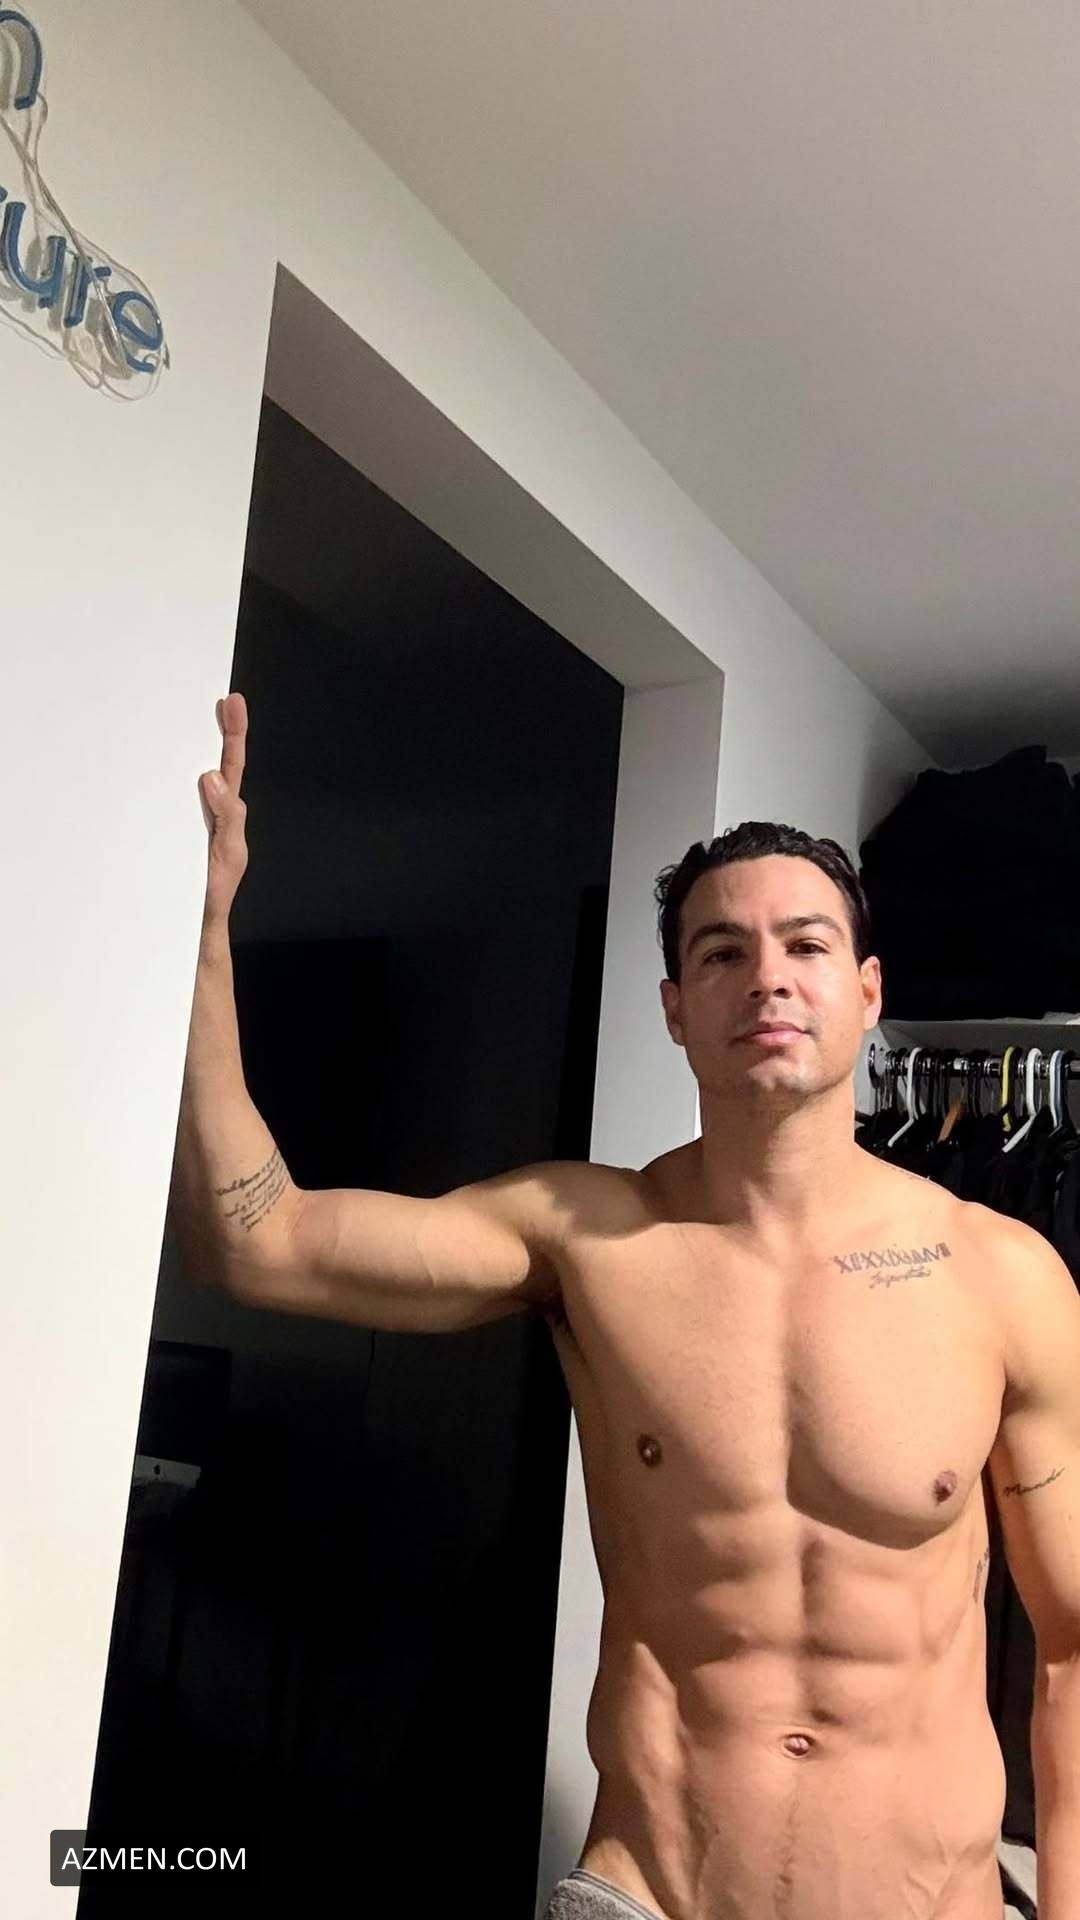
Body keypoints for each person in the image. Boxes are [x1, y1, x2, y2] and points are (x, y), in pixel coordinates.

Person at [172, 691, 1080, 1920]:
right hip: (651, 1893)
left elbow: (1072, 1642)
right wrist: (203, 927)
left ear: (869, 993)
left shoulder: (1002, 1273)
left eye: (807, 946)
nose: (767, 979)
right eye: (722, 953)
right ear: (674, 1008)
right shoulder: (584, 1235)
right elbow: (259, 1242)